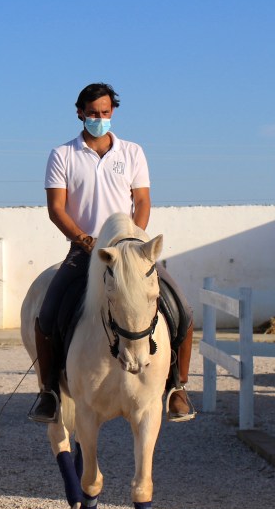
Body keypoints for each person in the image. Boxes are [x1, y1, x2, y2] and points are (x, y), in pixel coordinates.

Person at [28, 82, 196, 425]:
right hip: (85, 249)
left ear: (113, 112)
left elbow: (143, 200)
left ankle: (176, 386)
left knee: (182, 309)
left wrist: (134, 241)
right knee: (47, 315)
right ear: (79, 113)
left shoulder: (132, 152)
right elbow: (56, 208)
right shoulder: (62, 155)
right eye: (92, 114)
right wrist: (82, 238)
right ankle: (49, 392)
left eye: (105, 113)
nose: (99, 119)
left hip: (131, 251)